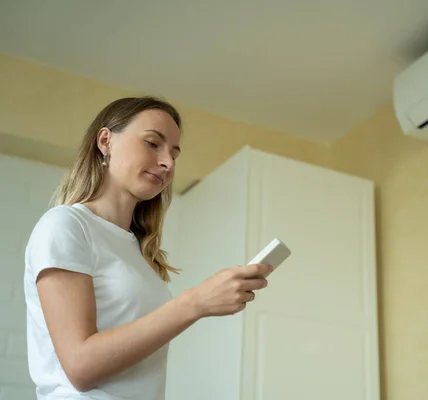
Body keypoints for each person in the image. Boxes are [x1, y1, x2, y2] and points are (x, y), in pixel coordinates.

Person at [23, 96, 273, 400]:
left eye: (174, 154)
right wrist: (195, 302)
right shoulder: (66, 225)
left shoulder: (138, 252)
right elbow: (80, 365)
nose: (168, 163)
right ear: (106, 141)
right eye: (153, 143)